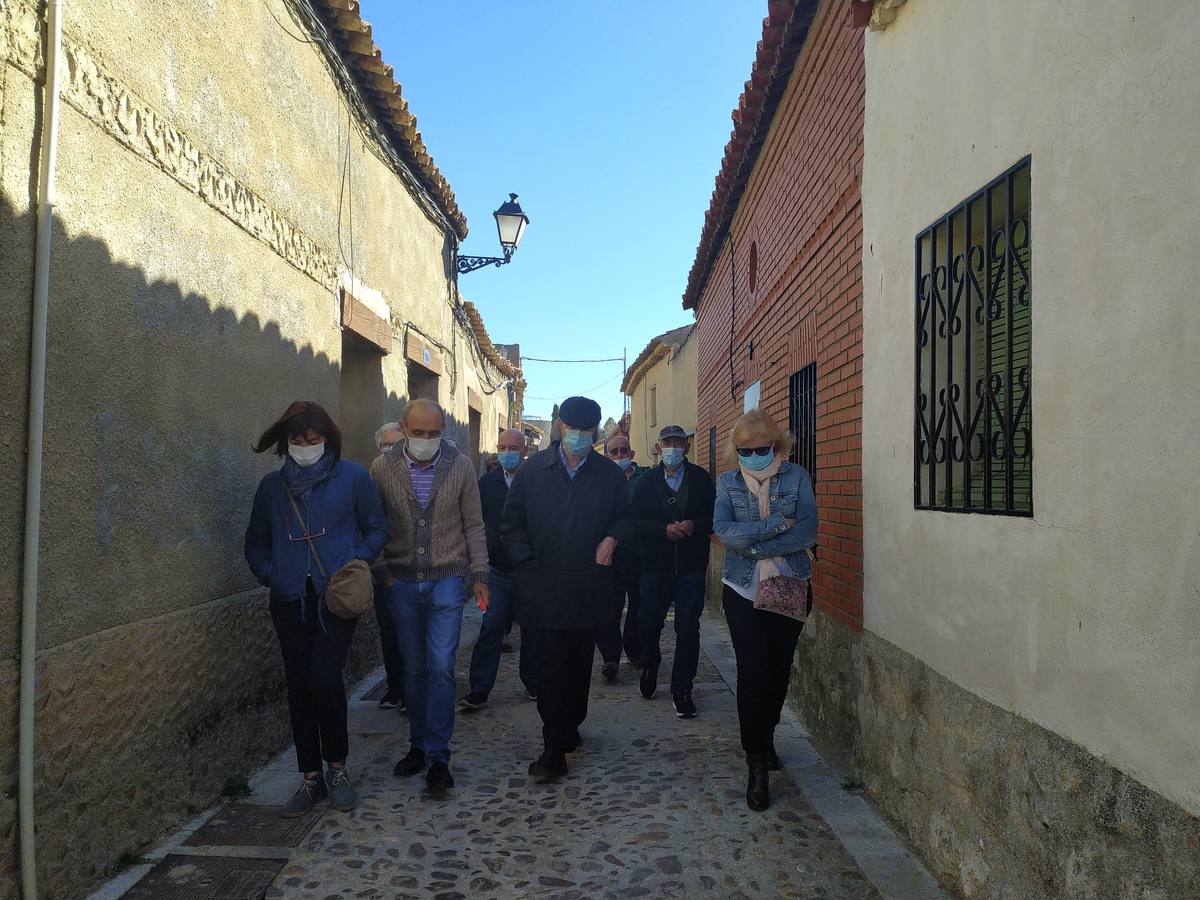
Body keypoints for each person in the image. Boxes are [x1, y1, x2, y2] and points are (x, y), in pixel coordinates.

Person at [244, 400, 388, 818]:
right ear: (285, 443)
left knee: (325, 678)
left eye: (313, 439)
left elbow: (377, 527)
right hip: (289, 600)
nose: (306, 446)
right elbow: (254, 539)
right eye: (297, 440)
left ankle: (338, 768)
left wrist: (354, 558)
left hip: (336, 597)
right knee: (299, 686)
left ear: (328, 439)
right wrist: (271, 573)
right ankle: (310, 777)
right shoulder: (272, 488)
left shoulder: (354, 478)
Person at [501, 396, 633, 781]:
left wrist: (612, 538)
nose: (578, 438)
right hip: (542, 588)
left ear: (595, 434)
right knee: (549, 667)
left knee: (578, 666)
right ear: (560, 426)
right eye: (573, 430)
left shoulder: (608, 475)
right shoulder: (532, 473)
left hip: (588, 586)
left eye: (587, 433)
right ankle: (552, 748)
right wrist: (526, 562)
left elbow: (626, 518)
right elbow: (510, 525)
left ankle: (570, 725)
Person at [369, 399, 490, 796]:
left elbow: (474, 524)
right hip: (401, 583)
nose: (425, 441)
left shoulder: (460, 466)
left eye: (432, 434)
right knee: (414, 668)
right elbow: (374, 523)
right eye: (417, 433)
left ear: (443, 432)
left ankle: (439, 755)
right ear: (403, 431)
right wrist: (383, 572)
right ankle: (417, 744)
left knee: (440, 666)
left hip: (447, 581)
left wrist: (479, 575)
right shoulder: (382, 469)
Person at [714, 409, 817, 812]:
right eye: (746, 449)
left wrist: (755, 545)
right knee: (753, 671)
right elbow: (724, 532)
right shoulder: (726, 482)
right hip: (741, 588)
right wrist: (776, 526)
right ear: (735, 449)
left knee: (778, 671)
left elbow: (808, 530)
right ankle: (755, 760)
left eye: (763, 449)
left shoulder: (797, 477)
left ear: (776, 446)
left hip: (790, 583)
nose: (755, 455)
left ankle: (767, 735)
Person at [633, 425, 715, 718]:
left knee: (688, 628)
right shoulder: (646, 482)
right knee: (649, 623)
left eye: (678, 442)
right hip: (655, 565)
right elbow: (634, 522)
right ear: (658, 447)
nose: (673, 448)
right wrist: (662, 530)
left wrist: (693, 525)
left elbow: (713, 516)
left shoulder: (702, 480)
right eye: (667, 443)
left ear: (687, 447)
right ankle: (651, 662)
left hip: (691, 565)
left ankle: (682, 688)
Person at [459, 429, 541, 710]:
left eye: (513, 447)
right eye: (502, 447)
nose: (507, 452)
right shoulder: (486, 484)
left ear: (524, 450)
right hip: (495, 572)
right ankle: (479, 689)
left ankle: (534, 683)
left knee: (531, 629)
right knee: (490, 626)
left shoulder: (535, 482)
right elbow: (475, 522)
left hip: (528, 571)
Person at [594, 433, 647, 679]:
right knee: (608, 608)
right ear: (606, 455)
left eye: (623, 451)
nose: (619, 456)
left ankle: (634, 651)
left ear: (631, 454)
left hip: (639, 555)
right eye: (613, 452)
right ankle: (611, 658)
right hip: (609, 556)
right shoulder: (600, 481)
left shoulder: (645, 479)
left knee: (638, 607)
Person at [372, 422, 406, 713]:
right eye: (387, 445)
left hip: (417, 570)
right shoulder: (375, 475)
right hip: (386, 571)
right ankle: (396, 686)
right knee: (390, 633)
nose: (392, 450)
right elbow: (370, 524)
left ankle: (416, 690)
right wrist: (381, 570)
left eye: (398, 443)